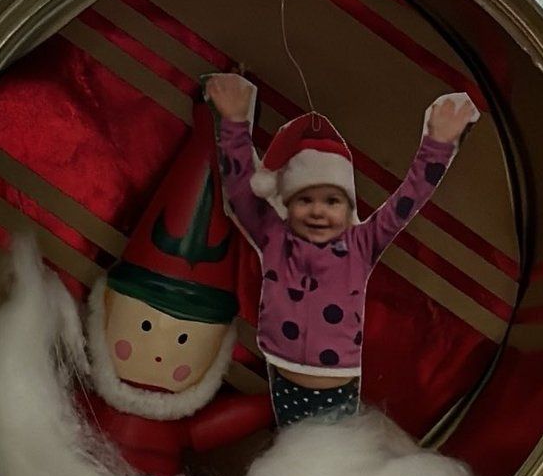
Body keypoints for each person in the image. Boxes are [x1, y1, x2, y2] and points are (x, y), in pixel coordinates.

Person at [203, 73, 478, 428]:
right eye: (305, 200)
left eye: (332, 201)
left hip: (338, 388)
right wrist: (233, 122)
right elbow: (241, 189)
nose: (318, 211)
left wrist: (438, 143)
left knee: (331, 465)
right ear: (287, 204)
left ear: (349, 210)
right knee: (293, 455)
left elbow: (408, 200)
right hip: (282, 378)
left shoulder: (361, 245)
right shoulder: (274, 238)